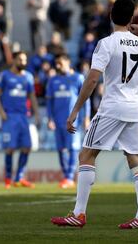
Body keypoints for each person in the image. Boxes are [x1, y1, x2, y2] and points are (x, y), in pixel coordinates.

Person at [51, 0, 138, 229]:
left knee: (86, 156)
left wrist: (76, 110)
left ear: (111, 15)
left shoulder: (106, 43)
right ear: (132, 19)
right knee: (135, 158)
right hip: (134, 108)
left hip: (112, 106)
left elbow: (92, 79)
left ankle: (79, 214)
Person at [0, 51, 39, 189]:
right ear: (13, 60)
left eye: (25, 60)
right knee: (10, 148)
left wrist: (37, 114)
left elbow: (32, 96)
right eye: (20, 60)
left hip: (24, 117)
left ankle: (18, 178)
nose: (23, 62)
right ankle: (7, 178)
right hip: (10, 116)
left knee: (27, 147)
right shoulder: (5, 76)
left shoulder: (28, 77)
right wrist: (1, 113)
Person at [46, 54, 90, 188]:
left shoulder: (78, 78)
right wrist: (49, 119)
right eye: (56, 64)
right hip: (58, 121)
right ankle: (66, 176)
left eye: (60, 63)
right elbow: (49, 102)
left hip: (73, 121)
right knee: (60, 149)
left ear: (67, 62)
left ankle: (69, 177)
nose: (58, 66)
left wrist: (86, 118)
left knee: (72, 148)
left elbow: (85, 99)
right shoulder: (53, 81)